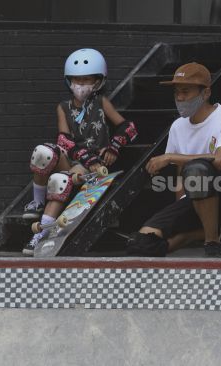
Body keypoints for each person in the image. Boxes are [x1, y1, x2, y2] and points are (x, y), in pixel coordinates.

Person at [128, 62, 221, 258]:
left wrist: (168, 157)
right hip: (194, 199)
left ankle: (212, 242)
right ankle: (200, 232)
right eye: (177, 92)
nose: (180, 98)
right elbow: (180, 176)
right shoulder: (178, 126)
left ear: (206, 93)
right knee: (141, 244)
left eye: (185, 92)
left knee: (198, 169)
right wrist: (181, 210)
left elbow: (220, 161)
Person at [22, 48, 138, 255]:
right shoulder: (63, 107)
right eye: (77, 80)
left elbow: (128, 127)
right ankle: (37, 202)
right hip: (75, 158)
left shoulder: (102, 103)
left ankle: (42, 234)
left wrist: (113, 147)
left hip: (92, 167)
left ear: (98, 81)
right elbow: (63, 140)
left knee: (59, 181)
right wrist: (86, 156)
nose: (81, 85)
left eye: (86, 80)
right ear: (69, 81)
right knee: (42, 152)